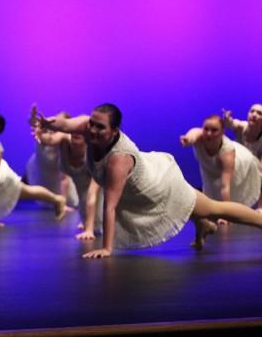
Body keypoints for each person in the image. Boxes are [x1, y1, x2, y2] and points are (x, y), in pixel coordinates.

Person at [39, 104, 262, 257]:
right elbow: (64, 125)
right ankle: (202, 225)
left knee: (214, 208)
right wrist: (46, 123)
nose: (93, 130)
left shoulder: (118, 159)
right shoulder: (89, 128)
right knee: (202, 210)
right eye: (92, 124)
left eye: (101, 127)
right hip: (143, 183)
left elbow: (110, 206)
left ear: (115, 130)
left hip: (159, 188)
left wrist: (106, 248)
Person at [29, 107, 103, 240]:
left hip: (100, 191)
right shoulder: (64, 140)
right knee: (84, 206)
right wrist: (38, 131)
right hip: (83, 195)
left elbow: (92, 194)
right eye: (74, 129)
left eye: (82, 130)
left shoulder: (95, 151)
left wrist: (89, 229)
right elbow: (48, 140)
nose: (77, 132)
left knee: (101, 223)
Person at [180, 115, 262, 210]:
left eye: (214, 130)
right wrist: (187, 139)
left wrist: (225, 213)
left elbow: (225, 185)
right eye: (206, 129)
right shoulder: (200, 136)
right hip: (213, 169)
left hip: (241, 163)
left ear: (222, 132)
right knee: (211, 191)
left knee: (250, 181)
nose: (209, 133)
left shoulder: (227, 152)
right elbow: (193, 134)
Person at [223, 104, 262, 169]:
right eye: (252, 111)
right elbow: (231, 124)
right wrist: (227, 120)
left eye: (259, 113)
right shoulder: (241, 127)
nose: (254, 115)